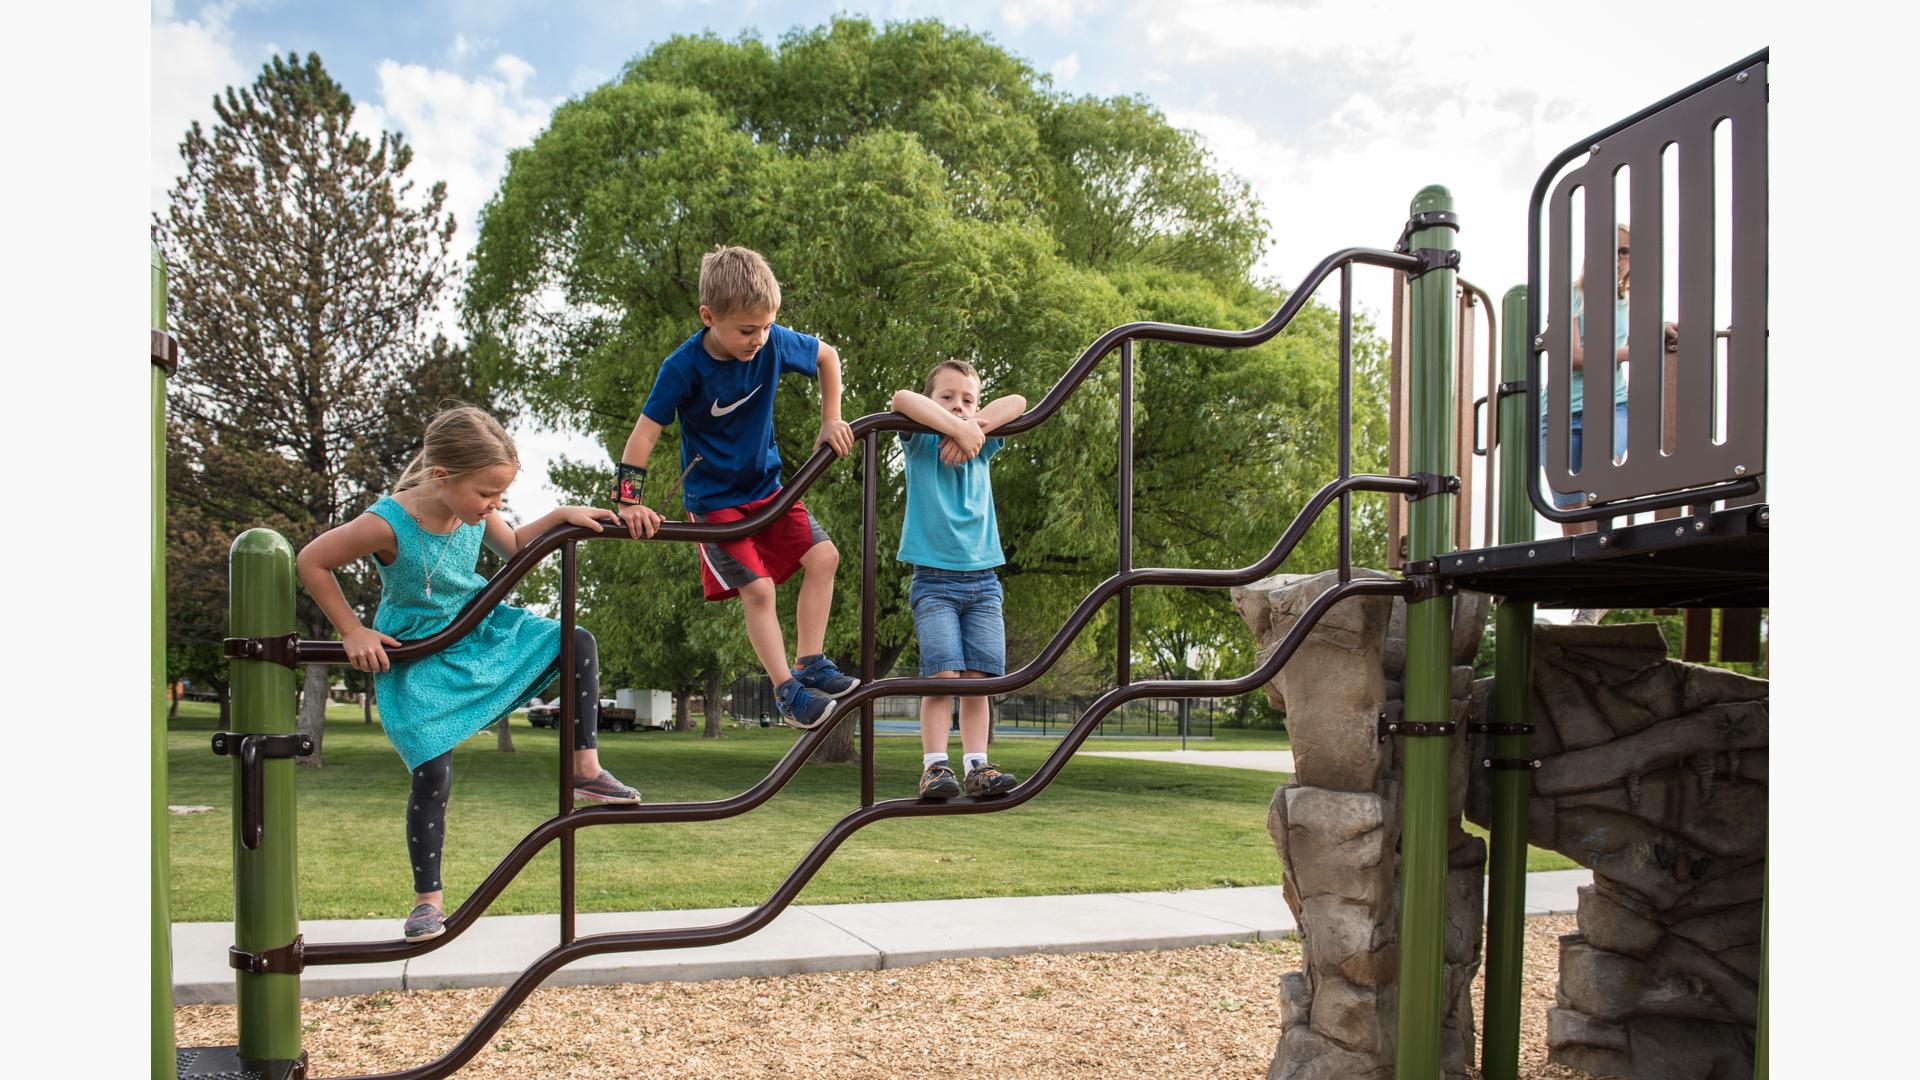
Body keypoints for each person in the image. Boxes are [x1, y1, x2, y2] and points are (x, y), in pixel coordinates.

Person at [296, 405, 641, 943]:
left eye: (500, 496)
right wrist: (351, 630)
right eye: (488, 494)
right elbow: (312, 560)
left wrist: (558, 515)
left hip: (476, 628)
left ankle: (585, 766)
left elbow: (516, 549)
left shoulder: (471, 513)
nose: (494, 507)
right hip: (420, 652)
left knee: (577, 642)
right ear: (442, 477)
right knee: (432, 774)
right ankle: (426, 903)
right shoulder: (388, 522)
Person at [613, 245, 859, 728]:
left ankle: (811, 662)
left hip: (768, 488)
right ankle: (786, 691)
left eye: (767, 326)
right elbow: (644, 434)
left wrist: (831, 419)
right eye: (747, 330)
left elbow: (828, 358)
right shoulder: (683, 367)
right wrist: (628, 503)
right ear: (709, 317)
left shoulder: (773, 343)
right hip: (716, 503)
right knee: (760, 590)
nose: (759, 339)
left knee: (825, 557)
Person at [889, 360, 1027, 799]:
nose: (958, 405)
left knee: (979, 680)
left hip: (984, 583)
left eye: (967, 398)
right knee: (942, 675)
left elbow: (1019, 402)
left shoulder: (981, 446)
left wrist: (973, 429)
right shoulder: (920, 444)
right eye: (946, 397)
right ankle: (934, 768)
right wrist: (951, 426)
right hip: (933, 581)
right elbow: (900, 399)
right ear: (932, 405)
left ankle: (977, 766)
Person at [1544, 223, 1679, 539]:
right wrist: (1632, 351)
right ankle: (1583, 571)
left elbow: (1633, 333)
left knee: (1603, 474)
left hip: (1611, 406)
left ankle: (1604, 544)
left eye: (1624, 251)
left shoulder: (1629, 303)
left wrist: (1659, 327)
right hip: (1561, 412)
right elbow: (1572, 356)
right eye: (1609, 250)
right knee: (1572, 514)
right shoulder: (1572, 296)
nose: (1616, 258)